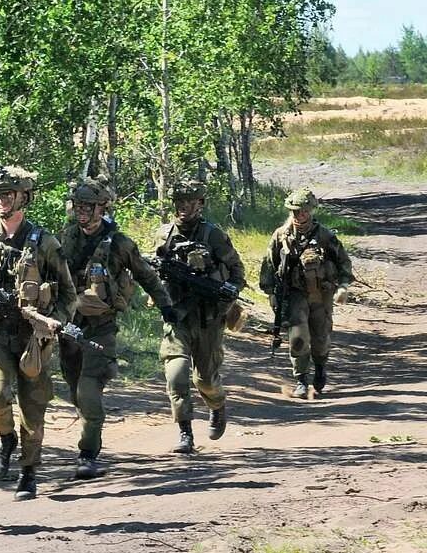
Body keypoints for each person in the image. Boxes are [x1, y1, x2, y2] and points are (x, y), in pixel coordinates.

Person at [59, 178, 173, 478]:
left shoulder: (120, 244)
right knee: (75, 393)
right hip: (68, 330)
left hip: (101, 329)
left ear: (102, 208)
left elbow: (147, 276)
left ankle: (88, 454)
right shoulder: (65, 237)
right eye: (78, 205)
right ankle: (89, 434)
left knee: (88, 390)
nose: (81, 211)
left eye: (88, 206)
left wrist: (166, 307)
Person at [0, 165, 77, 499]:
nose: (2, 201)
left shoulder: (45, 243)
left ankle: (29, 472)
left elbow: (67, 294)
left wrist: (53, 323)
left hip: (33, 337)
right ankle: (5, 440)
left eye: (8, 194)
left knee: (33, 409)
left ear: (23, 197)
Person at [155, 179, 246, 454]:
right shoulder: (164, 235)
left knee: (204, 379)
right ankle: (185, 433)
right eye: (179, 202)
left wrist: (227, 292)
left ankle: (217, 405)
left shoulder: (213, 235)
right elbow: (152, 271)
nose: (184, 207)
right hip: (177, 317)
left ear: (200, 204)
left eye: (190, 202)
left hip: (207, 319)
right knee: (176, 374)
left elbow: (237, 271)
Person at [259, 187, 353, 397]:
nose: (300, 216)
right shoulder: (281, 236)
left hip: (322, 295)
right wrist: (271, 293)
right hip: (295, 295)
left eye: (304, 212)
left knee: (320, 337)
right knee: (298, 337)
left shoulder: (325, 236)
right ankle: (301, 379)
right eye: (295, 212)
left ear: (311, 211)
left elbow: (343, 262)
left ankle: (320, 368)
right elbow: (269, 265)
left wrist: (343, 286)